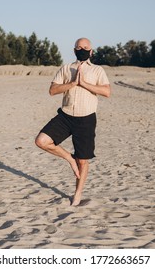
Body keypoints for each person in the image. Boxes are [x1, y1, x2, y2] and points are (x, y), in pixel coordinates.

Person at [35, 37, 111, 206]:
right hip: (65, 116)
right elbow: (52, 90)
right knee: (41, 141)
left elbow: (106, 92)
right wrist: (71, 83)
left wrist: (83, 83)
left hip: (86, 119)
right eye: (78, 47)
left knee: (83, 160)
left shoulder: (98, 70)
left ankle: (77, 194)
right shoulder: (66, 68)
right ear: (74, 50)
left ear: (91, 52)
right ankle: (69, 159)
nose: (82, 49)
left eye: (85, 47)